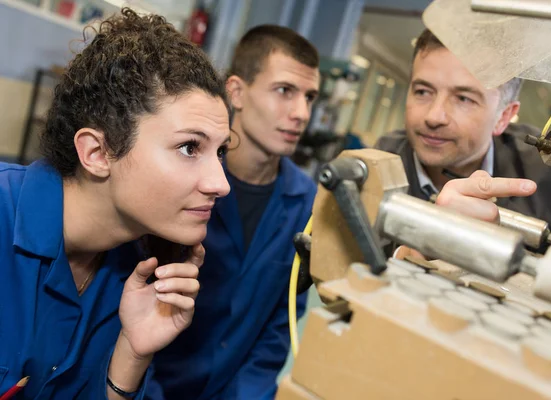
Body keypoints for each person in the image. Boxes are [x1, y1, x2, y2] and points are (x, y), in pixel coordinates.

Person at [0, 9, 230, 399]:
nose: (220, 184)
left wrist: (131, 355)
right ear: (97, 152)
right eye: (190, 147)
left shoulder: (137, 277)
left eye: (221, 152)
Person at [150, 25, 320, 399]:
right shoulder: (183, 179)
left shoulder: (307, 202)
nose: (301, 113)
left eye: (310, 97)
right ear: (236, 92)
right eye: (285, 91)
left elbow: (280, 320)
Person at [375, 29, 551, 247]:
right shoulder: (378, 165)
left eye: (463, 98)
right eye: (423, 91)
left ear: (503, 116)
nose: (434, 117)